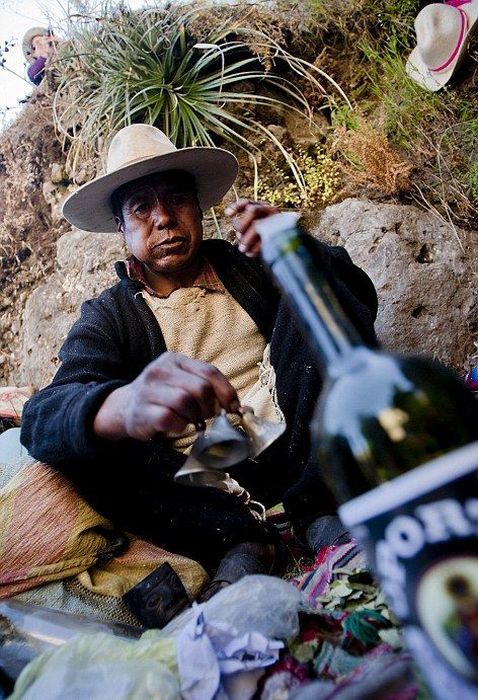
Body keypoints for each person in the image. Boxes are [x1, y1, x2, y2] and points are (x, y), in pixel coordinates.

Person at [21, 124, 378, 600]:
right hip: (205, 481)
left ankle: (317, 507)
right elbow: (41, 417)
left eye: (177, 200)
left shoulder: (245, 263)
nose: (164, 218)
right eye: (141, 208)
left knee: (315, 291)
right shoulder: (110, 315)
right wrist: (124, 404)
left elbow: (358, 301)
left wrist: (294, 252)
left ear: (199, 209)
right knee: (80, 439)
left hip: (298, 435)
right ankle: (242, 541)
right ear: (121, 231)